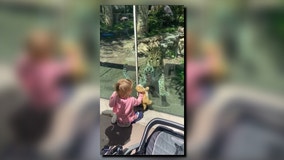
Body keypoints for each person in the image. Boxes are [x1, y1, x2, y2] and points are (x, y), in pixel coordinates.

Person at [12, 28, 85, 146]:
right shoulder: (50, 68)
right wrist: (73, 54)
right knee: (70, 89)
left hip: (32, 100)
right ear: (48, 51)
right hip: (51, 103)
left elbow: (20, 63)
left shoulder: (23, 63)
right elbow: (72, 68)